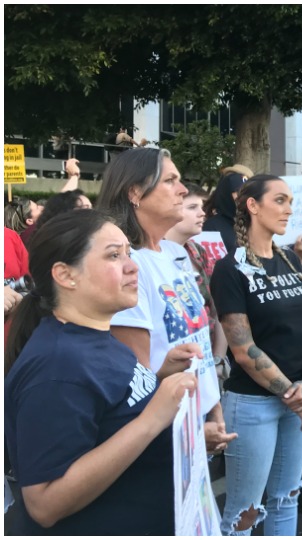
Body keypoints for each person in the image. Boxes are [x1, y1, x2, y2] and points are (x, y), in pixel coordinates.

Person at [4, 209, 198, 534]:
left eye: (128, 253)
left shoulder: (93, 335)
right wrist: (153, 421)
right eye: (113, 256)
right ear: (66, 275)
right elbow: (44, 503)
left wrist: (161, 377)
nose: (132, 266)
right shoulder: (57, 365)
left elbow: (110, 411)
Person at [97, 148, 228, 450]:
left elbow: (200, 344)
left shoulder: (174, 254)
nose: (183, 190)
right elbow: (136, 383)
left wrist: (212, 407)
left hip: (196, 425)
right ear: (135, 192)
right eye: (170, 180)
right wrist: (190, 432)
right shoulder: (127, 267)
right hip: (160, 439)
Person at [210, 175, 302, 536]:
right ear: (253, 206)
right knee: (245, 511)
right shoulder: (230, 268)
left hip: (298, 395)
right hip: (253, 405)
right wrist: (295, 394)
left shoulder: (289, 258)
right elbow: (242, 349)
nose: (289, 209)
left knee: (286, 499)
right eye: (280, 200)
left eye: (290, 201)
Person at [166, 182, 229, 384]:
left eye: (202, 207)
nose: (202, 214)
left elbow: (217, 309)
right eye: (192, 208)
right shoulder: (148, 255)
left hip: (207, 365)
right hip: (172, 371)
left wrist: (217, 360)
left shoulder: (198, 252)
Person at [202, 165, 253, 253]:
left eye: (248, 193)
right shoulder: (212, 227)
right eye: (238, 192)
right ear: (226, 192)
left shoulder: (255, 225)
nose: (244, 197)